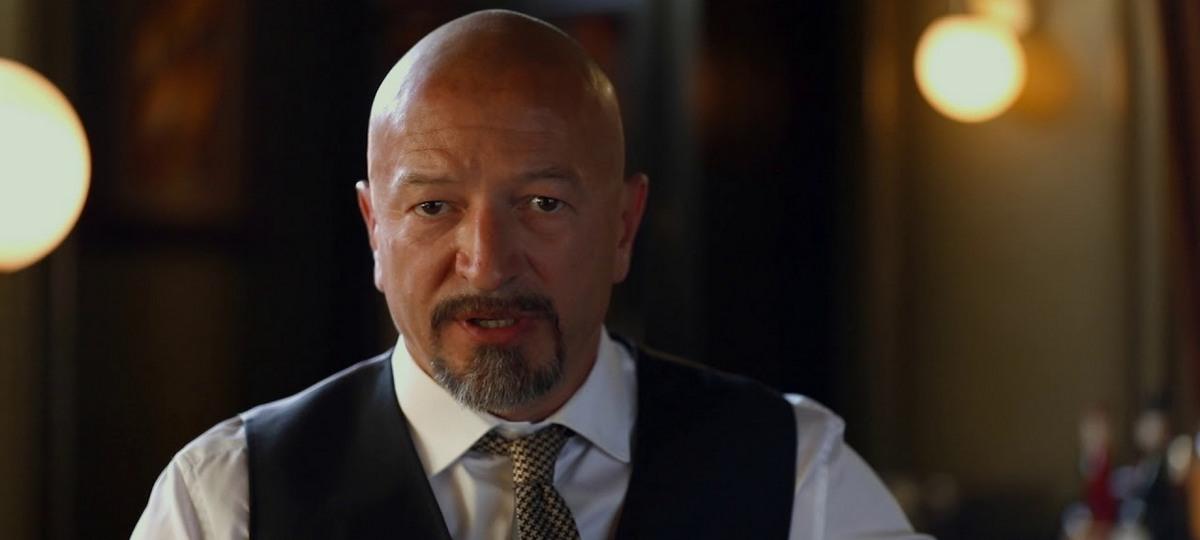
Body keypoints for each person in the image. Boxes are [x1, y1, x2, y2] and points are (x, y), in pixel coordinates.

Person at [132, 9, 929, 540]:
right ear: (376, 230)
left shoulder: (793, 475)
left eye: (543, 203)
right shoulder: (227, 499)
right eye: (434, 206)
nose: (488, 261)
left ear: (623, 226)